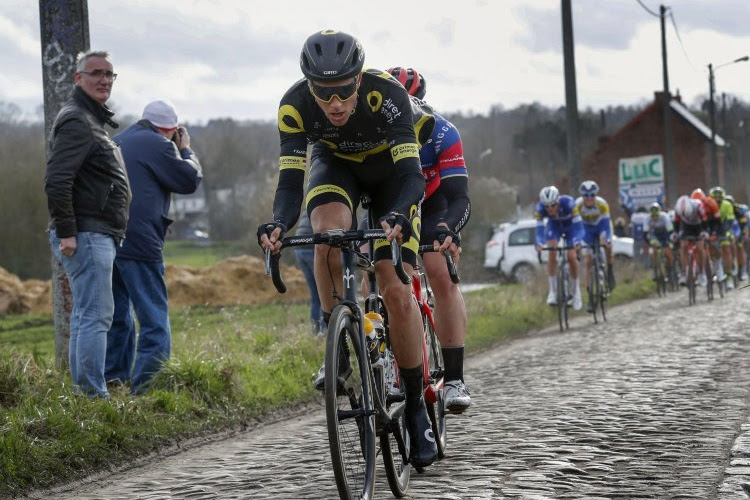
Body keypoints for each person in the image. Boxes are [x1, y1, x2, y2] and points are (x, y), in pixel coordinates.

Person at [257, 30, 437, 467]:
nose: (334, 103)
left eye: (343, 91)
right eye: (323, 92)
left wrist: (396, 214)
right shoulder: (294, 105)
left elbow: (413, 177)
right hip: (337, 167)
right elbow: (290, 183)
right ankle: (337, 340)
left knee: (395, 286)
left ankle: (415, 406)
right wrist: (279, 223)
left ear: (359, 80)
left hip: (393, 175)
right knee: (326, 236)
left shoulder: (388, 95)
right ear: (309, 86)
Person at [45, 50, 131, 399]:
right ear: (77, 78)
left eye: (110, 74)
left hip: (94, 232)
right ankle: (94, 396)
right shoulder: (77, 120)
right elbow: (57, 179)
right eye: (95, 73)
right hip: (86, 232)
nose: (104, 80)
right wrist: (67, 231)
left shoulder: (89, 118)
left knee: (87, 315)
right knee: (96, 316)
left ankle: (85, 396)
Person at [387, 66, 471, 413]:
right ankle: (385, 362)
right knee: (376, 271)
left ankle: (453, 378)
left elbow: (459, 197)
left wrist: (449, 228)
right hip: (391, 205)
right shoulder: (377, 133)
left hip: (435, 204)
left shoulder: (443, 133)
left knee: (439, 269)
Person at [104, 99, 203, 394]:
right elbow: (188, 179)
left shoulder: (118, 139)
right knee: (153, 320)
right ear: (171, 129)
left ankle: (114, 380)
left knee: (117, 317)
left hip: (110, 238)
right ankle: (149, 389)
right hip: (140, 242)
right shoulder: (159, 144)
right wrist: (185, 149)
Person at [533, 186, 584, 310]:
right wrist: (539, 243)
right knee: (551, 253)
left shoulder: (569, 203)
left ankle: (576, 291)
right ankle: (553, 291)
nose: (550, 209)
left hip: (571, 228)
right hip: (554, 227)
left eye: (552, 205)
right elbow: (539, 231)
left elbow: (579, 227)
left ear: (558, 201)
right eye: (547, 206)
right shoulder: (539, 208)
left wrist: (577, 241)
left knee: (571, 257)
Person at [574, 180, 615, 313]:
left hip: (601, 227)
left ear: (595, 195)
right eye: (586, 196)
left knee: (607, 247)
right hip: (586, 230)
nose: (590, 198)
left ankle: (609, 270)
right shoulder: (578, 205)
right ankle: (591, 296)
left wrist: (607, 239)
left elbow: (607, 226)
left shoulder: (602, 204)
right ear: (582, 196)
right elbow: (576, 226)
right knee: (588, 261)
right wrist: (577, 242)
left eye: (592, 195)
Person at [293, 210, 323, 335]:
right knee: (324, 292)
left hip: (299, 248)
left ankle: (315, 331)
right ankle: (324, 330)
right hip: (311, 247)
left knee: (315, 294)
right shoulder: (328, 203)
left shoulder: (311, 203)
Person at [673, 194, 708, 286]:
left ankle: (701, 272)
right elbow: (676, 222)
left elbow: (705, 219)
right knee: (683, 246)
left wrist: (704, 232)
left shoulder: (698, 205)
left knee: (700, 248)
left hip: (699, 225)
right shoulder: (678, 208)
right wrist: (675, 233)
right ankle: (684, 273)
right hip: (686, 226)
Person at [708, 186, 736, 289]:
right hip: (713, 230)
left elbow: (729, 220)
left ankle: (729, 277)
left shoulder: (727, 205)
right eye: (716, 200)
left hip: (725, 229)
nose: (718, 202)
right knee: (711, 249)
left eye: (720, 200)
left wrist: (725, 232)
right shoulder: (709, 205)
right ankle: (715, 269)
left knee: (726, 249)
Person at [644, 202, 674, 281]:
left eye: (656, 216)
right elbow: (645, 234)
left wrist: (668, 241)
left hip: (666, 234)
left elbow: (670, 231)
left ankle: (669, 270)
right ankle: (655, 271)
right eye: (653, 216)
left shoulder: (664, 217)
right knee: (655, 251)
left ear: (659, 214)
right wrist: (649, 243)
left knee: (668, 252)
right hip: (655, 235)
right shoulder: (647, 219)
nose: (655, 218)